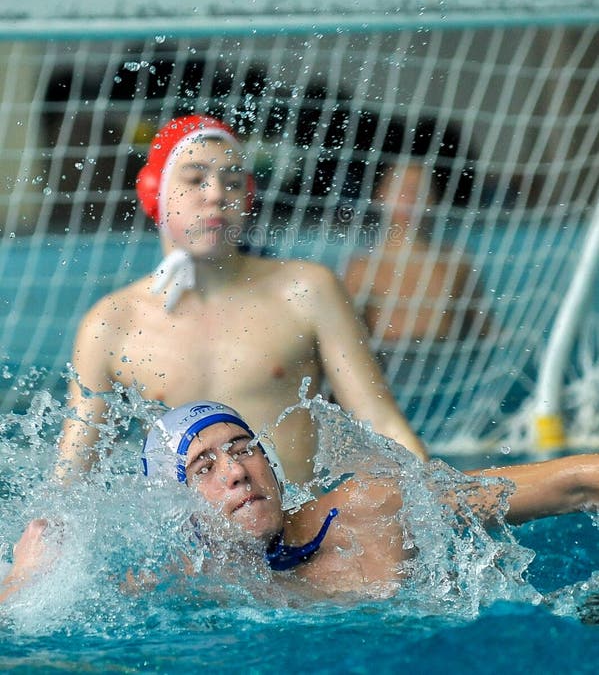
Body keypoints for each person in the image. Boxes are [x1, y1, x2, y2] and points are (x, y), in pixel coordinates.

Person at [58, 115, 426, 485]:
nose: (217, 194)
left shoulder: (306, 290)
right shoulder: (111, 323)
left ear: (246, 197)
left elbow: (381, 423)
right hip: (185, 540)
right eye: (194, 179)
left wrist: (437, 505)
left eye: (232, 182)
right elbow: (72, 475)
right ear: (155, 190)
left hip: (302, 529)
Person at [5, 400, 599, 603]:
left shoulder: (370, 508)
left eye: (245, 449)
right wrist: (29, 576)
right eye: (203, 467)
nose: (236, 471)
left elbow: (571, 482)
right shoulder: (171, 583)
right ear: (175, 508)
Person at [344, 139, 489, 346]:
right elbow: (346, 338)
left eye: (418, 191)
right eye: (401, 190)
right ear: (381, 197)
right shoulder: (362, 269)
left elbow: (485, 330)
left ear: (433, 199)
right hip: (392, 365)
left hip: (445, 365)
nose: (410, 200)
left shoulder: (455, 262)